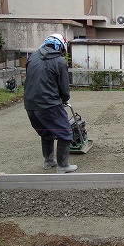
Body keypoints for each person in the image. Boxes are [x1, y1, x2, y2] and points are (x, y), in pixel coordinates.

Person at [24, 33, 78, 173]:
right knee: (65, 132)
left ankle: (48, 161)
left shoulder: (32, 58)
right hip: (48, 104)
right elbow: (63, 86)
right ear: (60, 47)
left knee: (46, 133)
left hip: (30, 105)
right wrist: (64, 99)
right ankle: (63, 166)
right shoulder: (59, 61)